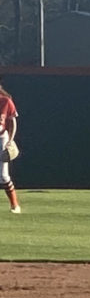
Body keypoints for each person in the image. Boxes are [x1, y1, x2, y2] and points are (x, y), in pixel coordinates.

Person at [0, 79, 21, 214]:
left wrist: (11, 140)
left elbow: (13, 121)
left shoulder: (6, 101)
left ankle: (15, 205)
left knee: (3, 176)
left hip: (1, 138)